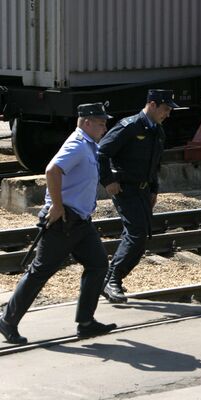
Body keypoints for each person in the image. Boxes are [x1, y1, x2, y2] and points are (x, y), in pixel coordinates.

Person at [0, 103, 117, 344]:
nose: (105, 127)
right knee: (39, 272)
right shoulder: (76, 144)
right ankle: (7, 321)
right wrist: (56, 205)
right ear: (86, 122)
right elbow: (52, 170)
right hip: (65, 221)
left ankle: (86, 323)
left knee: (97, 265)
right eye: (101, 122)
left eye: (104, 123)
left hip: (81, 221)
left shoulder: (89, 145)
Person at [98, 89, 179, 303]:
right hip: (125, 189)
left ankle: (108, 280)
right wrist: (108, 181)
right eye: (165, 109)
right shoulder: (130, 126)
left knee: (138, 236)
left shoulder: (157, 131)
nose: (168, 114)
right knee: (137, 235)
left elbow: (154, 163)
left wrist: (153, 189)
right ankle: (113, 279)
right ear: (152, 105)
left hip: (143, 190)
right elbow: (102, 152)